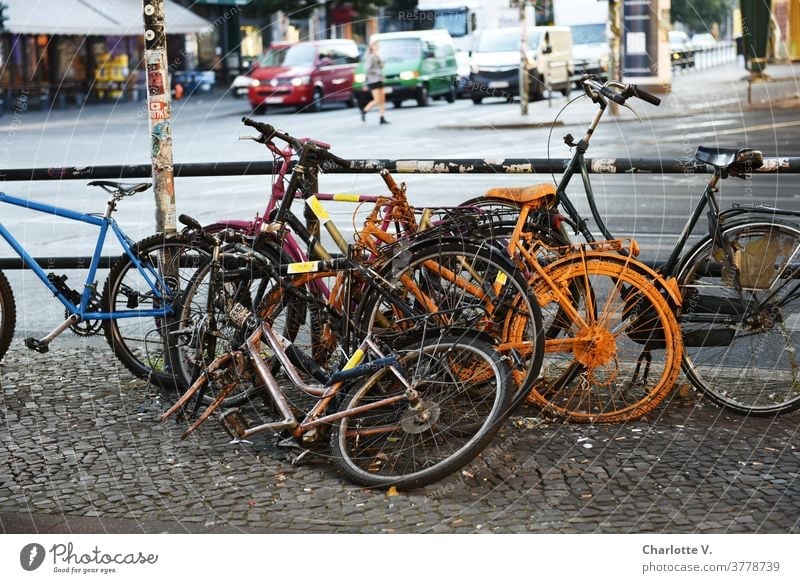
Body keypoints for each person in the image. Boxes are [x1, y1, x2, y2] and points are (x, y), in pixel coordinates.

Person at [360, 41, 389, 125]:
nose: (376, 46)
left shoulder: (377, 56)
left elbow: (379, 67)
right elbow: (367, 69)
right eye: (374, 45)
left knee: (383, 100)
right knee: (377, 100)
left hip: (380, 80)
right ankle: (364, 110)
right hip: (373, 80)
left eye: (377, 45)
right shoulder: (370, 57)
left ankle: (382, 117)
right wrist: (377, 72)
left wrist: (381, 65)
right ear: (371, 47)